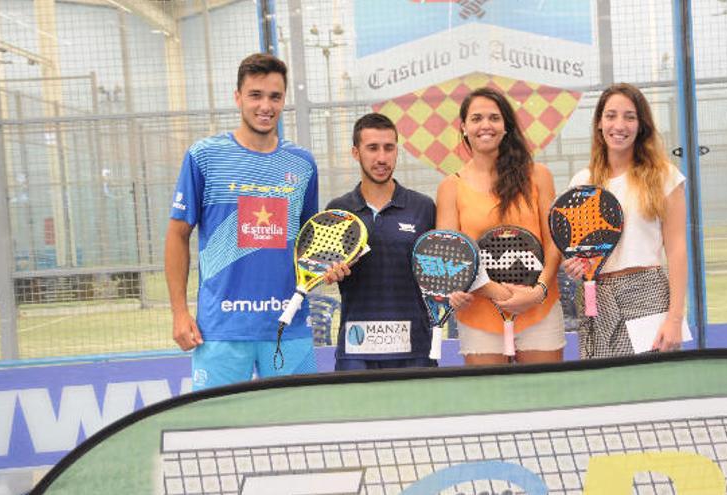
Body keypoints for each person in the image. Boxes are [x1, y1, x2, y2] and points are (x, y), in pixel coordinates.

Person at [165, 53, 319, 390]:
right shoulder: (204, 156)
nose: (266, 105)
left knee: (297, 431)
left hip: (287, 326)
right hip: (220, 329)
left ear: (284, 100)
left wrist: (327, 268)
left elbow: (310, 241)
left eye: (275, 96)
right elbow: (177, 234)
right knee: (215, 431)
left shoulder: (303, 163)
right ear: (237, 98)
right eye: (256, 95)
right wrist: (179, 312)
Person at [436, 87, 565, 366]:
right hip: (479, 316)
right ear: (464, 128)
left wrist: (538, 292)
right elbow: (452, 258)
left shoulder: (539, 176)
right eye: (476, 118)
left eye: (494, 118)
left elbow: (555, 242)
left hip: (540, 310)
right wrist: (500, 294)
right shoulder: (450, 187)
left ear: (506, 126)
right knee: (488, 404)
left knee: (547, 399)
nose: (486, 125)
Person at [563, 82, 687, 358]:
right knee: (601, 392)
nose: (619, 125)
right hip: (597, 299)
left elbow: (677, 249)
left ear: (641, 125)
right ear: (598, 123)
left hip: (647, 297)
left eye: (629, 117)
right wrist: (575, 266)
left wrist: (675, 319)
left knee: (647, 392)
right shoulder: (581, 183)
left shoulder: (665, 177)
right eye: (611, 116)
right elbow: (581, 251)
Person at [323, 113, 437, 370]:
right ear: (356, 152)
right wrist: (330, 274)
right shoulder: (338, 210)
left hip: (415, 347)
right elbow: (327, 269)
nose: (382, 158)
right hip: (356, 349)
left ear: (397, 150)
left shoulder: (423, 207)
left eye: (389, 148)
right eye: (372, 148)